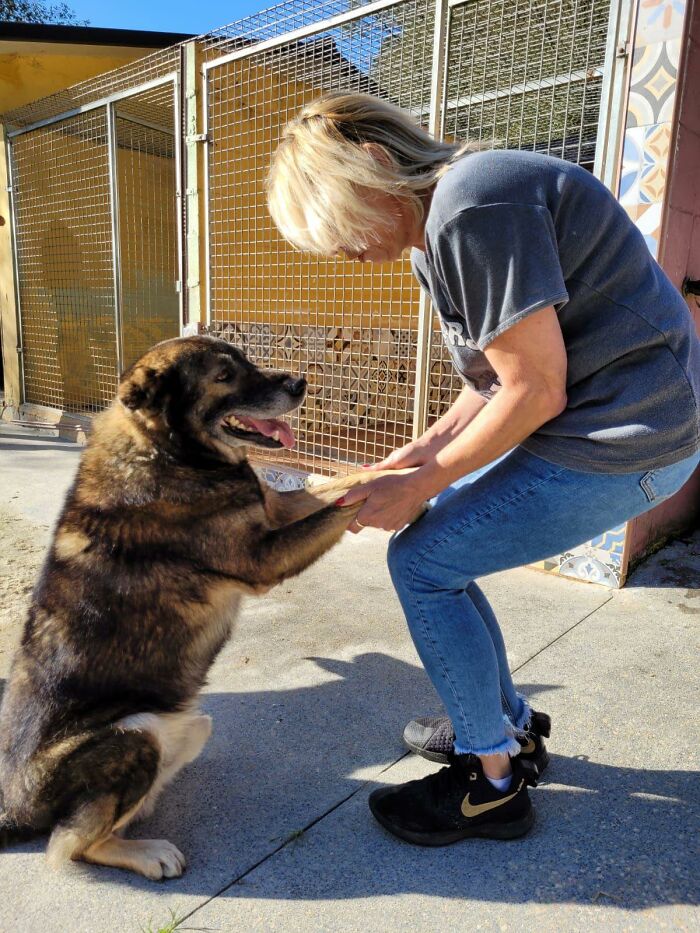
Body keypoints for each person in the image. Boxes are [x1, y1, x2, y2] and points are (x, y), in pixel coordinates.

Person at [267, 93, 700, 846]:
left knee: (426, 559)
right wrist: (408, 463)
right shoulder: (440, 230)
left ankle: (491, 784)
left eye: (335, 228)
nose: (342, 253)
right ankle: (510, 732)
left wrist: (420, 485)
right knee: (440, 550)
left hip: (631, 438)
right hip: (617, 427)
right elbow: (490, 382)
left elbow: (536, 389)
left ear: (372, 165)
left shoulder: (472, 203)